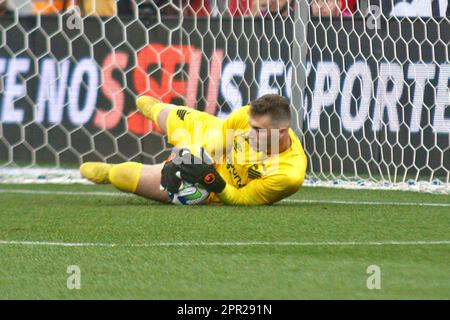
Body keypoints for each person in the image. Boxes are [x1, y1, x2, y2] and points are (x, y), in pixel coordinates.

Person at [80, 94, 307, 205]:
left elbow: (241, 199)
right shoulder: (246, 117)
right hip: (214, 140)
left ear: (283, 131)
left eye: (257, 130)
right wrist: (188, 158)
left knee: (123, 176)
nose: (248, 133)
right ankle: (156, 110)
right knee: (169, 113)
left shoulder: (288, 174)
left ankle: (109, 172)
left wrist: (212, 180)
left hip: (218, 186)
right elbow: (216, 146)